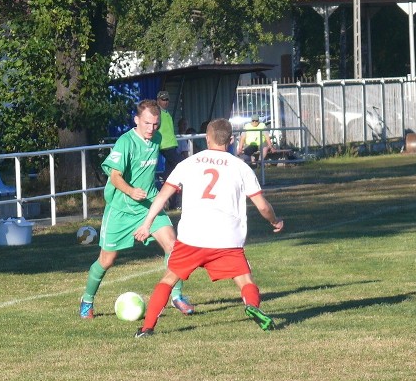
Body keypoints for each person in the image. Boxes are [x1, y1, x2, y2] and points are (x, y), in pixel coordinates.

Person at [131, 118, 284, 338]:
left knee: (168, 279)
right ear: (231, 140)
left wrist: (147, 224)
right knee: (245, 280)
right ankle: (252, 305)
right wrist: (274, 221)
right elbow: (262, 205)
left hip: (192, 237)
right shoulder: (240, 166)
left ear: (206, 138)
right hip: (226, 238)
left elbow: (163, 195)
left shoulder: (188, 163)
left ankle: (147, 328)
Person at [79, 99, 194, 320]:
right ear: (137, 120)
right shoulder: (125, 142)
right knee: (107, 260)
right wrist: (131, 191)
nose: (152, 129)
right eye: (148, 124)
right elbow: (114, 176)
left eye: (156, 124)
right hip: (121, 208)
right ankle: (87, 300)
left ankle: (177, 296)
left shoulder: (157, 138)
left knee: (174, 246)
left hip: (149, 204)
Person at [156, 91, 183, 209]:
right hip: (165, 147)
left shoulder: (166, 113)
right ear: (158, 100)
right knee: (183, 166)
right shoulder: (158, 114)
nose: (165, 102)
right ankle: (174, 203)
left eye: (167, 100)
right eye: (163, 99)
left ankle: (173, 204)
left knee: (171, 177)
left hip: (171, 146)